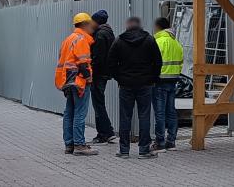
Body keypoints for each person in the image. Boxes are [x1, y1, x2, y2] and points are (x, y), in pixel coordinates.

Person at [108, 16, 162, 159]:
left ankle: (124, 150)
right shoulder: (149, 40)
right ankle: (144, 150)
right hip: (145, 84)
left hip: (126, 85)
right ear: (140, 26)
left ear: (127, 26)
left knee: (125, 117)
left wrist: (119, 78)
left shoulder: (119, 41)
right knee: (144, 116)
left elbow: (111, 63)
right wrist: (153, 79)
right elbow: (158, 62)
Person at [54, 13, 98, 156]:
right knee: (80, 113)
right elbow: (83, 63)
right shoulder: (81, 40)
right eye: (90, 24)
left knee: (69, 113)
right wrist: (89, 78)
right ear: (85, 24)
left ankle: (69, 144)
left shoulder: (68, 39)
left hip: (67, 81)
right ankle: (79, 145)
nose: (92, 27)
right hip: (79, 81)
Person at [151, 17, 184, 152]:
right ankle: (171, 142)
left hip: (160, 81)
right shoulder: (176, 42)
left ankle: (160, 143)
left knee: (160, 113)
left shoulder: (158, 42)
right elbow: (181, 62)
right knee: (171, 112)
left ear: (158, 27)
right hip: (173, 80)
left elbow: (152, 62)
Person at [89, 10, 116, 144]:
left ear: (97, 21)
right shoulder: (109, 32)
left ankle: (105, 133)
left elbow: (98, 58)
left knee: (98, 104)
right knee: (99, 103)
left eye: (92, 21)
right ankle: (106, 132)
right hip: (105, 73)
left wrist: (91, 72)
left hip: (98, 74)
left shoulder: (100, 35)